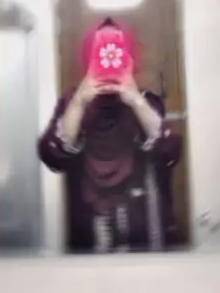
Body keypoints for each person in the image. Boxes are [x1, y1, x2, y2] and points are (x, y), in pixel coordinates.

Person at [38, 18, 182, 253]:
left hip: (143, 223)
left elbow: (171, 152)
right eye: (101, 49)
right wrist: (80, 102)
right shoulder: (73, 102)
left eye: (116, 48)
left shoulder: (146, 101)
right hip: (88, 227)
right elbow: (52, 157)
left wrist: (135, 100)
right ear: (89, 55)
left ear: (129, 55)